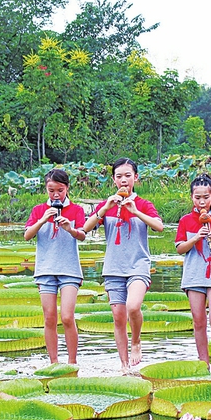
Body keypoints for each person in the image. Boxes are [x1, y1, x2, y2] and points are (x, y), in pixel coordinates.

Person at [83, 158, 163, 373]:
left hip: (138, 265)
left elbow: (159, 226)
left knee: (133, 306)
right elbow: (85, 228)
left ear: (136, 178)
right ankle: (124, 365)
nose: (124, 180)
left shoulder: (143, 204)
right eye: (119, 176)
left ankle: (136, 341)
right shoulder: (106, 205)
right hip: (113, 268)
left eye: (128, 175)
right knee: (118, 317)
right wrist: (105, 208)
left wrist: (136, 211)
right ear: (113, 180)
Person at [24, 169, 86, 365]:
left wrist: (70, 228)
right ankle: (53, 362)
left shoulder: (76, 210)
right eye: (51, 191)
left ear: (67, 188)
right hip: (45, 270)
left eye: (60, 190)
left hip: (69, 269)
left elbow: (82, 235)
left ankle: (72, 362)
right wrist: (43, 219)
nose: (56, 195)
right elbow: (27, 235)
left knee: (67, 316)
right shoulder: (38, 210)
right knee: (49, 317)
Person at [175, 174, 211, 369]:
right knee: (199, 321)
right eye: (197, 197)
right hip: (193, 276)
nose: (202, 201)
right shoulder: (185, 220)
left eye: (206, 197)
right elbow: (180, 248)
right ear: (191, 197)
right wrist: (195, 238)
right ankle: (203, 361)